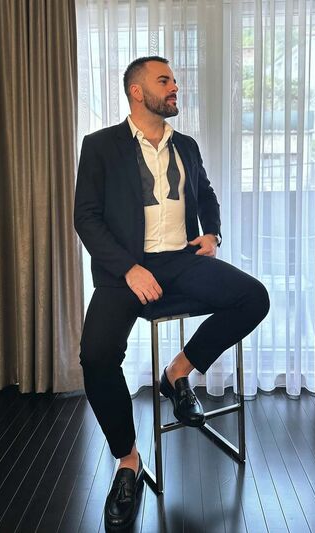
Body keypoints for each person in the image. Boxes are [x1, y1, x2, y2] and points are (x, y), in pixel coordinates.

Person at [74, 56, 270, 531]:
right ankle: (128, 461)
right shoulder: (100, 146)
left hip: (182, 262)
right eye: (164, 80)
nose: (175, 87)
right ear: (137, 91)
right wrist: (129, 269)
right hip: (125, 271)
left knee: (254, 297)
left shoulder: (186, 145)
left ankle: (177, 372)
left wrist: (213, 233)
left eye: (175, 81)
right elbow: (86, 217)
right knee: (96, 357)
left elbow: (206, 194)